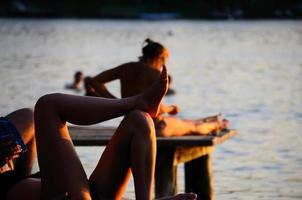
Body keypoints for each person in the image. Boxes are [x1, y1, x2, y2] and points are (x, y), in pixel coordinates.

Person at [1, 66, 197, 200]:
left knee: (140, 120)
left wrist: (14, 158)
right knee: (48, 105)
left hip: (85, 190)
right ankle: (135, 101)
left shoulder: (19, 129)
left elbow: (24, 171)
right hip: (65, 195)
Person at [84, 38, 229, 137]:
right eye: (164, 60)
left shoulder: (125, 68)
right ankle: (217, 123)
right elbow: (154, 108)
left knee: (187, 122)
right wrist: (171, 108)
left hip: (129, 124)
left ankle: (213, 120)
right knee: (192, 127)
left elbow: (93, 81)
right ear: (157, 58)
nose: (163, 65)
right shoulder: (156, 75)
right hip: (155, 127)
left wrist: (118, 103)